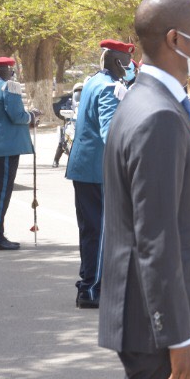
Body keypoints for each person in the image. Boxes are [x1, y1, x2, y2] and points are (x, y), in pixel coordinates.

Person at [99, 0, 190, 379]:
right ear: (175, 39)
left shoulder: (150, 101)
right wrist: (177, 336)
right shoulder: (158, 115)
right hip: (160, 329)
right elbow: (155, 237)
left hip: (153, 319)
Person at [65, 39, 133, 309]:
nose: (130, 68)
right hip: (99, 171)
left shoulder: (93, 81)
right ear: (118, 62)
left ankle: (90, 283)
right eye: (128, 62)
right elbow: (111, 132)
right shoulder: (109, 88)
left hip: (86, 167)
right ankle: (92, 288)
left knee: (92, 230)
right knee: (101, 232)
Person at [0, 56, 40, 251]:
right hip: (6, 146)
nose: (12, 75)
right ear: (7, 71)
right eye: (11, 71)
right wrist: (32, 115)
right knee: (2, 194)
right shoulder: (10, 87)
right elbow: (17, 116)